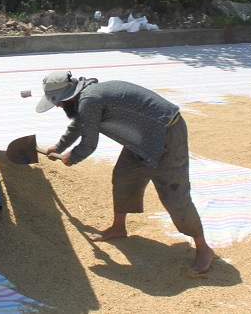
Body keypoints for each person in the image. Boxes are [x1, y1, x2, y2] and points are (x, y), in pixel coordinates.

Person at [36, 70, 214, 274]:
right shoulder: (86, 98)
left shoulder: (90, 99)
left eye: (58, 101)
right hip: (140, 136)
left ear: (69, 96)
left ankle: (203, 247)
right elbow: (80, 124)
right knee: (124, 178)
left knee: (174, 193)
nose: (58, 105)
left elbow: (89, 143)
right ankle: (118, 227)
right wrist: (59, 147)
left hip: (166, 133)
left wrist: (73, 156)